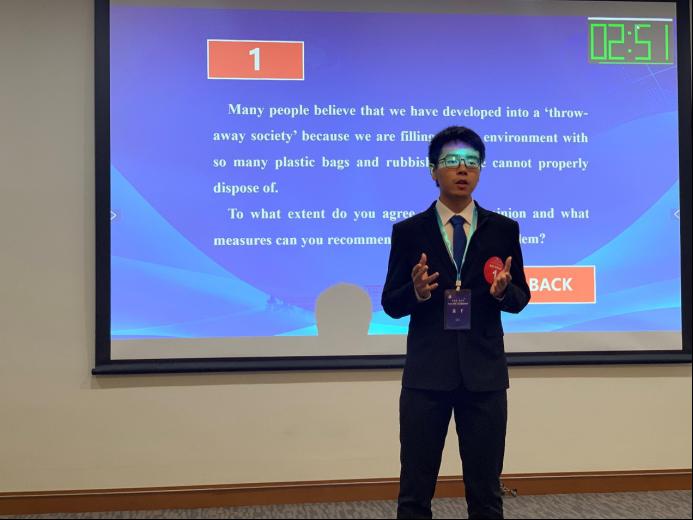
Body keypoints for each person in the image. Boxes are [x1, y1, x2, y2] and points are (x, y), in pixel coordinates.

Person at [381, 126, 531, 519]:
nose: (463, 169)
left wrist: (502, 292)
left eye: (472, 162)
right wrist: (416, 292)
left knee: (486, 494)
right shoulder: (408, 232)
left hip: (484, 377)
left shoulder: (503, 229)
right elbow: (391, 303)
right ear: (433, 170)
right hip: (427, 376)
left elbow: (521, 298)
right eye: (451, 161)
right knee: (415, 493)